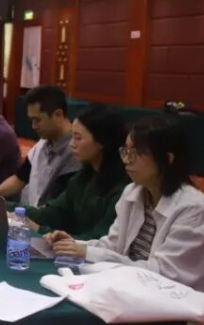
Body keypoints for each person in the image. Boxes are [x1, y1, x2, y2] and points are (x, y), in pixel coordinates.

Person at [47, 116, 204, 325]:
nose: (126, 160)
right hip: (136, 302)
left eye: (136, 153)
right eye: (125, 151)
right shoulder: (134, 192)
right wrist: (75, 245)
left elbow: (163, 278)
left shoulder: (194, 210)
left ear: (167, 159)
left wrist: (88, 253)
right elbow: (113, 245)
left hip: (185, 324)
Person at [22, 103, 129, 240]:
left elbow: (100, 239)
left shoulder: (123, 188)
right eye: (72, 136)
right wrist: (11, 210)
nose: (71, 144)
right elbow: (53, 212)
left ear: (102, 141)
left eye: (78, 138)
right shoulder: (83, 177)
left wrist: (41, 230)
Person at [0, 86, 82, 204]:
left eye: (37, 120)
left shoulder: (77, 152)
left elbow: (61, 205)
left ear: (58, 115)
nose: (33, 126)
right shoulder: (42, 144)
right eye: (32, 120)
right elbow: (20, 178)